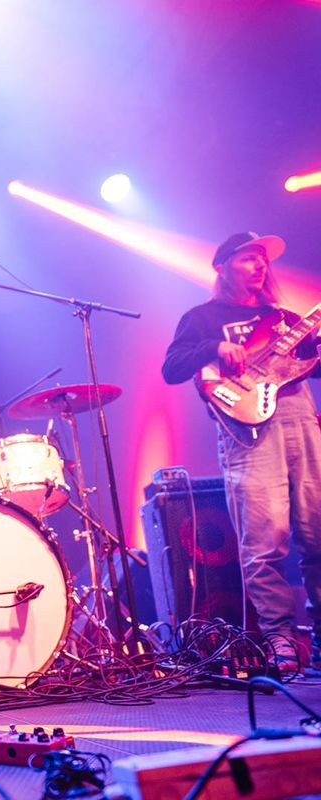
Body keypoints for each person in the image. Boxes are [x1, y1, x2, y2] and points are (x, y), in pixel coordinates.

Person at [162, 232, 321, 672]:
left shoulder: (285, 318)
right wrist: (214, 346)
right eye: (249, 258)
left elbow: (312, 367)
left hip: (300, 419)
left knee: (318, 534)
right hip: (247, 431)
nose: (260, 265)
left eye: (263, 259)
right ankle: (280, 640)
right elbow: (172, 368)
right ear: (222, 266)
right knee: (264, 541)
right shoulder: (202, 318)